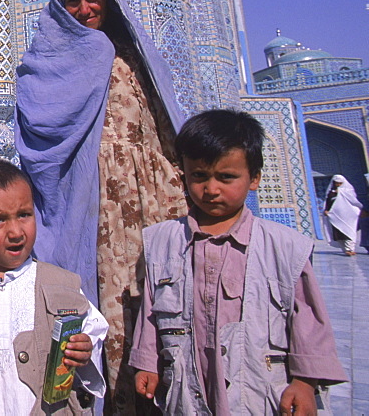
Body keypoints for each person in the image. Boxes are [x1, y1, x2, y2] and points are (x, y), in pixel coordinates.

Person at [15, 0, 186, 413]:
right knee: (107, 301)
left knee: (158, 290)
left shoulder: (131, 53)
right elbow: (38, 121)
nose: (86, 8)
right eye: (75, 0)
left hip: (148, 195)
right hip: (91, 199)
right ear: (59, 5)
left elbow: (162, 120)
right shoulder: (47, 57)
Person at [131, 110, 347, 414]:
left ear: (255, 178)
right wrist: (147, 364)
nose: (211, 189)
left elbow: (308, 323)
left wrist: (304, 383)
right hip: (187, 387)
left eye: (226, 177)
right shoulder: (163, 241)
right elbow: (150, 312)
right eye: (199, 176)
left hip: (259, 389)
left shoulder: (284, 247)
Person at [0, 160, 107, 414]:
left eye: (24, 215)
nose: (15, 232)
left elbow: (94, 329)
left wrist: (85, 347)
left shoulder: (63, 285)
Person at [324, 174, 362, 256]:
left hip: (348, 217)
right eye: (336, 183)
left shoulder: (348, 191)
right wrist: (326, 210)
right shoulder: (331, 193)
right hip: (336, 217)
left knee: (349, 232)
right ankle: (345, 250)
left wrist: (341, 192)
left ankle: (350, 249)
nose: (338, 185)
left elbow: (353, 201)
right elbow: (328, 203)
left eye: (340, 183)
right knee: (339, 234)